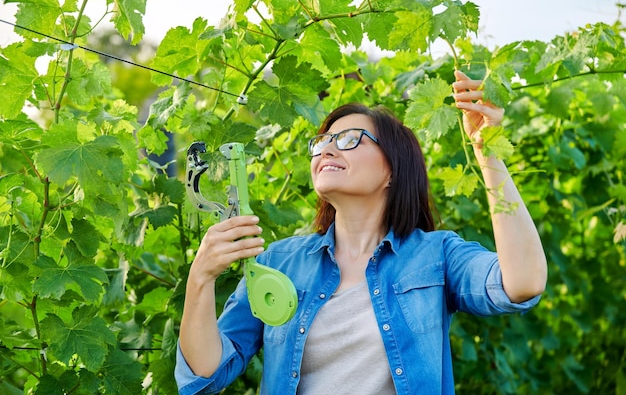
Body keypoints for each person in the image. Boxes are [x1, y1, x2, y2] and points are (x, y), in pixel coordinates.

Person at [174, 70, 548, 395]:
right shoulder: (278, 263)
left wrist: (487, 151)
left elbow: (523, 283)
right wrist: (200, 278)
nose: (327, 150)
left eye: (349, 138)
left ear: (392, 171)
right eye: (321, 143)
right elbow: (205, 375)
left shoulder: (437, 256)